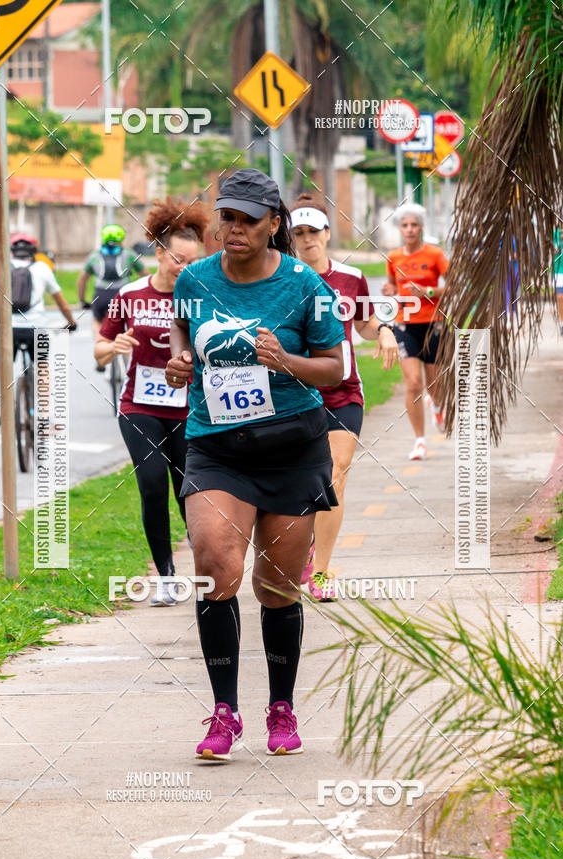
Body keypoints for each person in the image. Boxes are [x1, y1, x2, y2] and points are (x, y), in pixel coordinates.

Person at [165, 168, 344, 760]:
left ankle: (281, 707)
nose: (234, 228)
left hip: (292, 450)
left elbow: (336, 369)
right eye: (227, 217)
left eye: (247, 219)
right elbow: (180, 332)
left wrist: (286, 361)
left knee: (276, 587)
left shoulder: (305, 285)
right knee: (215, 562)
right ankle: (223, 711)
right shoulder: (192, 280)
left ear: (275, 225)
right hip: (217, 447)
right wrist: (181, 359)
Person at [94, 198, 209, 606]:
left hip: (189, 409)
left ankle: (209, 572)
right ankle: (165, 575)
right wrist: (114, 346)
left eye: (194, 261)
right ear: (159, 253)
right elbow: (100, 349)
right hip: (139, 406)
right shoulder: (129, 295)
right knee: (152, 484)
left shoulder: (201, 294)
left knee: (188, 492)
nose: (186, 268)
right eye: (179, 259)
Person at [289, 194, 399, 600]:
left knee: (335, 473)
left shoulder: (350, 279)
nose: (306, 239)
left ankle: (321, 574)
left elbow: (366, 323)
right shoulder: (283, 279)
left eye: (313, 231)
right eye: (298, 233)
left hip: (343, 392)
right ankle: (304, 546)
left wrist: (385, 330)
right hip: (297, 393)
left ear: (327, 233)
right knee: (303, 482)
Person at [382, 203, 449, 460]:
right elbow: (391, 286)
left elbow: (454, 284)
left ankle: (438, 404)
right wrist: (389, 291)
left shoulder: (434, 254)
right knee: (413, 383)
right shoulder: (394, 258)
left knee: (434, 382)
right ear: (400, 229)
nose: (409, 230)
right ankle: (420, 441)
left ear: (421, 228)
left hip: (433, 324)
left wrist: (429, 291)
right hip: (404, 324)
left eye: (414, 225)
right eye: (405, 225)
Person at [0, 233, 76, 374]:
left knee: (3, 369)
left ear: (12, 251)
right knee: (42, 367)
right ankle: (44, 395)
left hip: (10, 328)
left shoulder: (2, 267)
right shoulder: (43, 268)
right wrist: (71, 322)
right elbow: (61, 303)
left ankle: (6, 394)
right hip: (36, 326)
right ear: (34, 251)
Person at [77, 224, 146, 363]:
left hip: (101, 296)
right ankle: (128, 360)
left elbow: (82, 280)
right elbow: (145, 276)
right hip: (123, 296)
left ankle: (100, 350)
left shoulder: (94, 256)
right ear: (122, 239)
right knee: (128, 325)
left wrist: (82, 300)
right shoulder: (130, 254)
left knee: (97, 320)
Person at [554, 227, 563, 336]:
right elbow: (551, 249)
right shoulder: (555, 234)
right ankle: (562, 323)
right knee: (560, 297)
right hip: (559, 270)